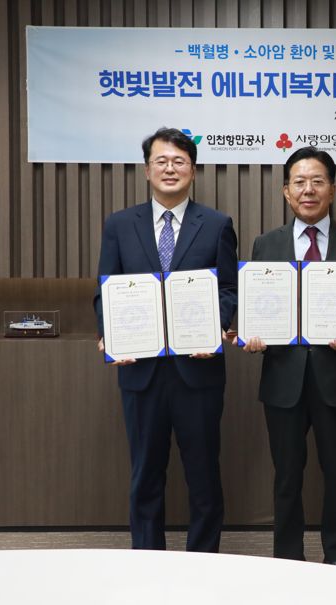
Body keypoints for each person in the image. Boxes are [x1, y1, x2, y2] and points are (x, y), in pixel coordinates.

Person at [93, 127, 238, 552]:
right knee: (145, 476)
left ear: (193, 170)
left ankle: (204, 560)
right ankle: (147, 560)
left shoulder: (217, 224)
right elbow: (106, 289)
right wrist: (110, 334)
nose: (170, 168)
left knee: (204, 476)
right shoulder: (120, 224)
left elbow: (228, 288)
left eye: (179, 161)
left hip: (199, 370)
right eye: (161, 161)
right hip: (140, 371)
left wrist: (216, 326)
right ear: (147, 170)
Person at [239, 147, 336, 565]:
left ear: (332, 189)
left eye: (318, 181)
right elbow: (257, 304)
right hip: (283, 377)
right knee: (286, 477)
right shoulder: (267, 244)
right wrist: (253, 335)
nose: (308, 190)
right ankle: (288, 560)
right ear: (286, 191)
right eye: (299, 182)